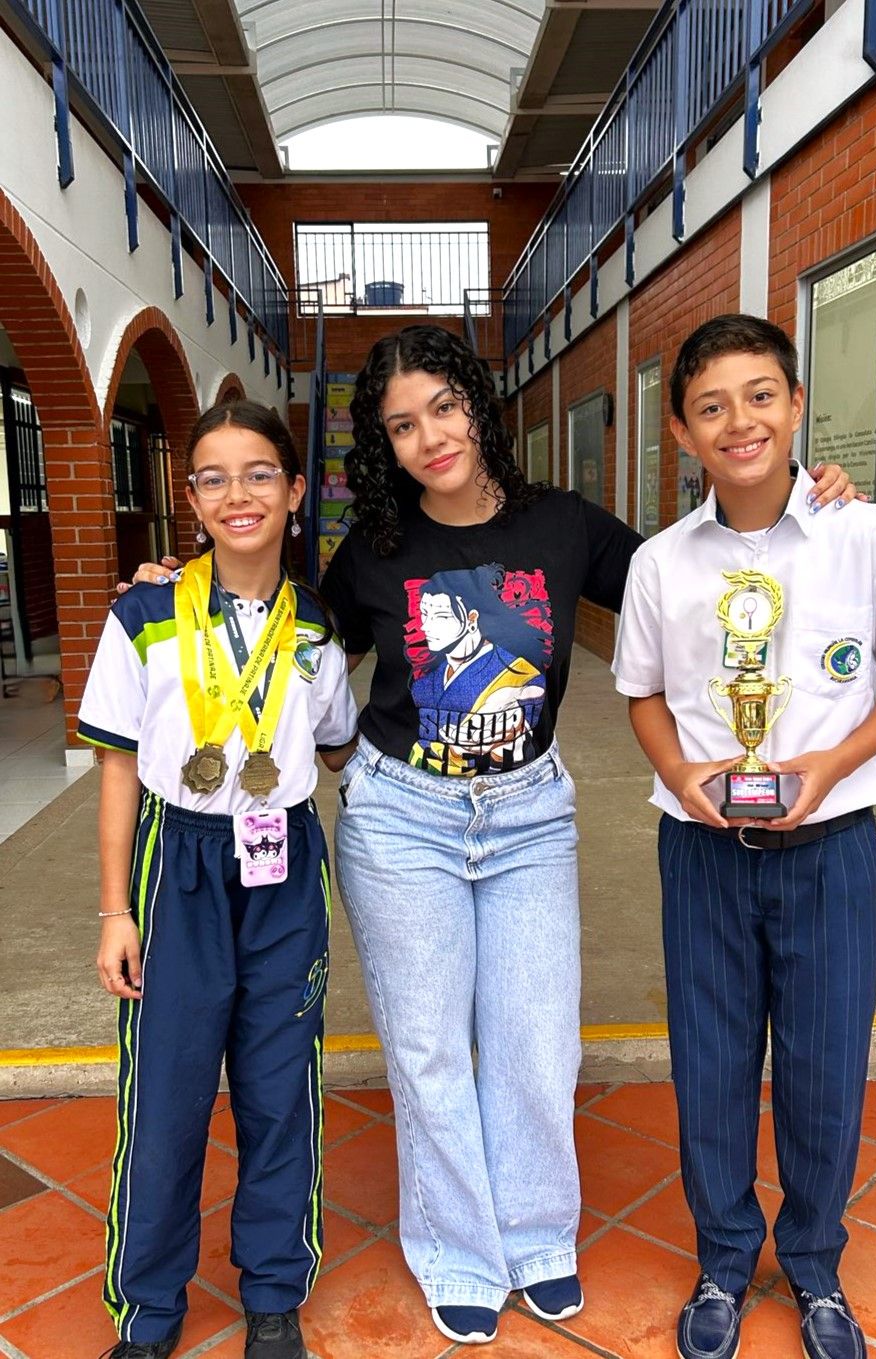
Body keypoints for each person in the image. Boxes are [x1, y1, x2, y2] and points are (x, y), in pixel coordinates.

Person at [128, 325, 856, 1347]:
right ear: (385, 445)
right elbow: (287, 635)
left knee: (535, 1039)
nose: (431, 436)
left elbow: (698, 582)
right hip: (402, 819)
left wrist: (802, 507)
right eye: (403, 425)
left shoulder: (563, 524)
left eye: (445, 407)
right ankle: (460, 1250)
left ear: (477, 404)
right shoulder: (374, 549)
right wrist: (184, 585)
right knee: (429, 1050)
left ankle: (538, 1237)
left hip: (527, 817)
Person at [612, 314, 876, 1359]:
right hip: (704, 854)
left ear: (797, 404)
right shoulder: (661, 562)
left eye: (761, 396)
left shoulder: (867, 537)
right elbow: (643, 693)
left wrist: (833, 763)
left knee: (825, 1070)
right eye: (711, 406)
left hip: (832, 852)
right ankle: (723, 1261)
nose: (740, 422)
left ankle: (814, 1264)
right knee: (710, 1067)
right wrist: (681, 774)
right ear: (681, 431)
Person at [81, 402, 358, 1359]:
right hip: (179, 863)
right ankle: (148, 1308)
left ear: (294, 490)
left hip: (283, 861)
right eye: (214, 477)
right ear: (192, 499)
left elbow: (338, 744)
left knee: (281, 1088)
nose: (238, 493)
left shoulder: (316, 625)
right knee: (166, 1091)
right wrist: (115, 909)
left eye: (258, 473)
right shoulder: (144, 613)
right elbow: (118, 768)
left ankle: (273, 1292)